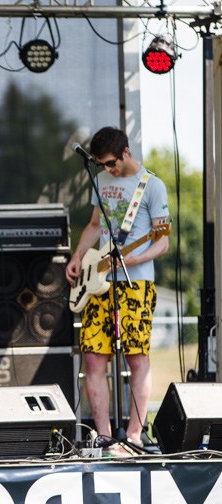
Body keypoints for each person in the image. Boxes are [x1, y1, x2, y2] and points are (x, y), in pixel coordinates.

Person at [65, 127, 169, 455]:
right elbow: (96, 224)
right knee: (94, 358)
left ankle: (135, 434)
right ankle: (104, 436)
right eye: (101, 165)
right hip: (100, 281)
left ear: (125, 152)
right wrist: (78, 256)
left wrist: (137, 257)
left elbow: (162, 239)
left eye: (110, 163)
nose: (107, 170)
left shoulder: (153, 186)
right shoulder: (103, 181)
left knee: (137, 358)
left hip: (135, 283)